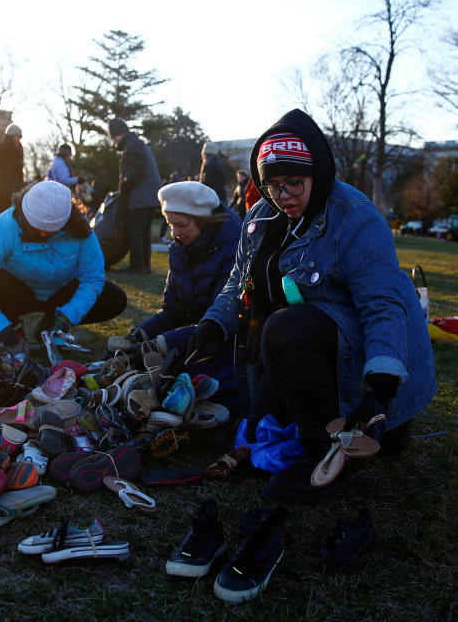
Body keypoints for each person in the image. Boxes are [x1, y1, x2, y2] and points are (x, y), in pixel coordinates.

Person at [187, 108, 436, 502]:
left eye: (294, 184)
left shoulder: (354, 216)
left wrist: (383, 378)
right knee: (257, 429)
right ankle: (326, 423)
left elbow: (383, 305)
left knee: (287, 328)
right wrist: (215, 323)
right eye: (273, 186)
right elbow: (240, 280)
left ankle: (322, 453)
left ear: (317, 174)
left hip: (354, 348)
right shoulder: (260, 217)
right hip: (302, 347)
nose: (283, 196)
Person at [110, 181, 242, 408]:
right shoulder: (179, 250)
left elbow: (224, 318)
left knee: (178, 371)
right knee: (151, 366)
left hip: (228, 340)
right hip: (192, 337)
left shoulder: (234, 249)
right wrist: (140, 334)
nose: (175, 234)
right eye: (170, 225)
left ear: (204, 221)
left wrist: (158, 345)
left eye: (181, 225)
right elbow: (173, 309)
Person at [0, 181, 127, 351]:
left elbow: (92, 277)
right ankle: (14, 328)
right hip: (20, 290)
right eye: (37, 228)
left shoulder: (80, 229)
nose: (43, 233)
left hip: (62, 291)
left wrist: (68, 315)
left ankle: (52, 324)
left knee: (113, 298)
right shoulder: (5, 226)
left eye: (52, 229)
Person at [108, 118, 162, 274]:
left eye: (113, 138)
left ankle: (137, 266)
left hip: (140, 197)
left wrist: (125, 183)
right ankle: (145, 265)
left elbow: (138, 169)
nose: (113, 142)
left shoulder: (132, 146)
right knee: (144, 233)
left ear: (118, 134)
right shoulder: (138, 143)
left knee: (135, 232)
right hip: (149, 196)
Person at [0, 123, 24, 216]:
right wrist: (1, 187)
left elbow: (19, 173)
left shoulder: (18, 152)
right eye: (17, 136)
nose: (19, 139)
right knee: (3, 216)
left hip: (14, 191)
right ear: (11, 136)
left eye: (20, 137)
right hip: (1, 192)